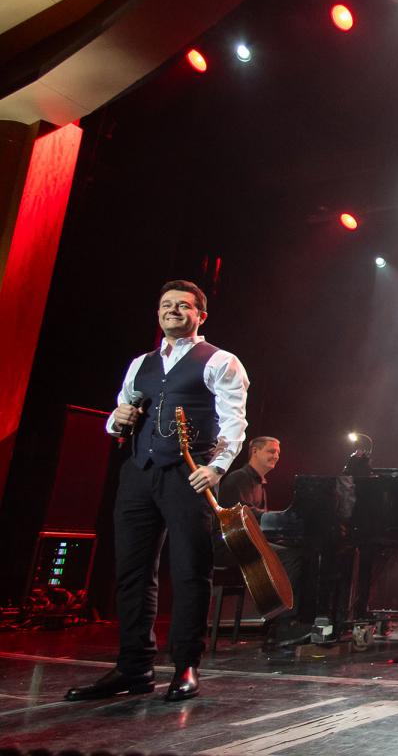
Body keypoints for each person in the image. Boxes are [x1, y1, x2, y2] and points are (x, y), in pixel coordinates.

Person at [65, 280, 249, 703]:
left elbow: (234, 421)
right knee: (132, 572)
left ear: (200, 315)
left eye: (183, 306)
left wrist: (217, 467)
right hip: (139, 473)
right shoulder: (141, 364)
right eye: (167, 305)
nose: (173, 311)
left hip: (188, 475)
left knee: (189, 570)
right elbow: (120, 412)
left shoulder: (220, 361)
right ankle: (134, 667)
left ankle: (186, 665)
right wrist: (117, 419)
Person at [215, 436, 309, 654]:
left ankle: (280, 621)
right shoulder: (238, 478)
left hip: (244, 542)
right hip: (228, 544)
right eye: (270, 451)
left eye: (278, 453)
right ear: (254, 452)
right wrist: (279, 519)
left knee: (295, 552)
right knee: (289, 556)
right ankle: (281, 625)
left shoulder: (259, 484)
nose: (276, 456)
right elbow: (241, 516)